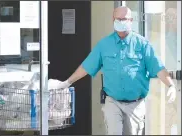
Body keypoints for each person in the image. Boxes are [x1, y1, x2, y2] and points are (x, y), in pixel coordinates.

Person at [49, 6, 177, 135]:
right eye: (118, 19)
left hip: (135, 104)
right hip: (112, 101)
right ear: (113, 20)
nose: (121, 22)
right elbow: (87, 66)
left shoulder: (142, 44)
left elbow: (158, 67)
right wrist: (67, 82)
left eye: (124, 19)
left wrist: (170, 85)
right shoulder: (104, 45)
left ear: (131, 20)